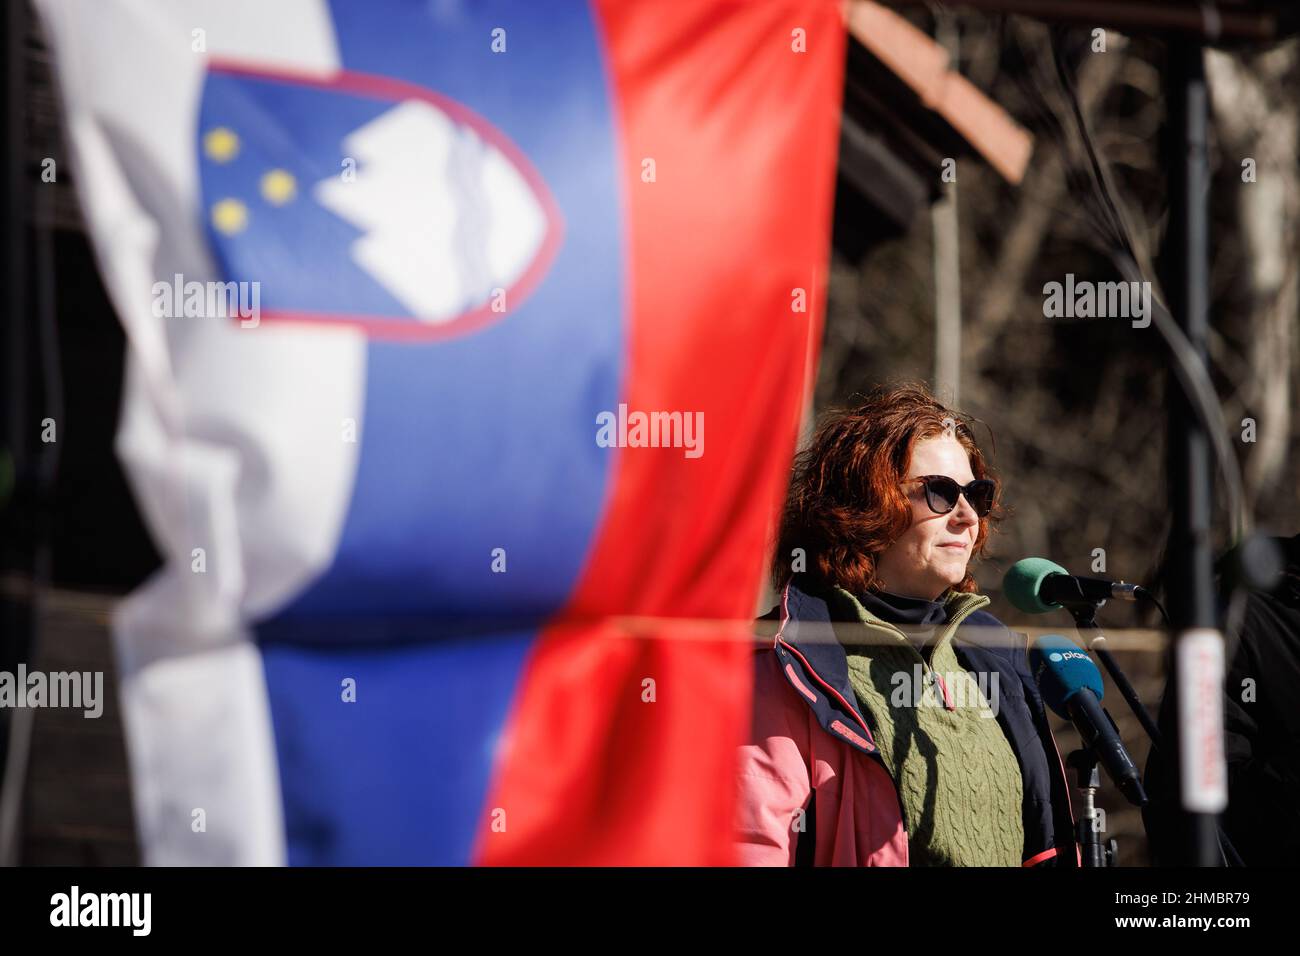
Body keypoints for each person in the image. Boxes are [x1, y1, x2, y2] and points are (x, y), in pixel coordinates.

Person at [736, 381, 1078, 866]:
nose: (966, 516)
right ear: (863, 507)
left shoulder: (994, 654)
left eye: (977, 495)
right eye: (939, 492)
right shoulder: (783, 665)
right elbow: (749, 848)